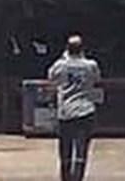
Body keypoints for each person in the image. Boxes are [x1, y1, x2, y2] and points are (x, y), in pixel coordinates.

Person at [47, 34, 101, 181]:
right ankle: (78, 178)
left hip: (66, 111)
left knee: (65, 149)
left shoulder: (61, 65)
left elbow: (51, 76)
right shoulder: (91, 65)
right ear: (82, 49)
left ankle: (66, 178)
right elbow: (97, 79)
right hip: (85, 110)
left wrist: (64, 58)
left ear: (67, 49)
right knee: (82, 149)